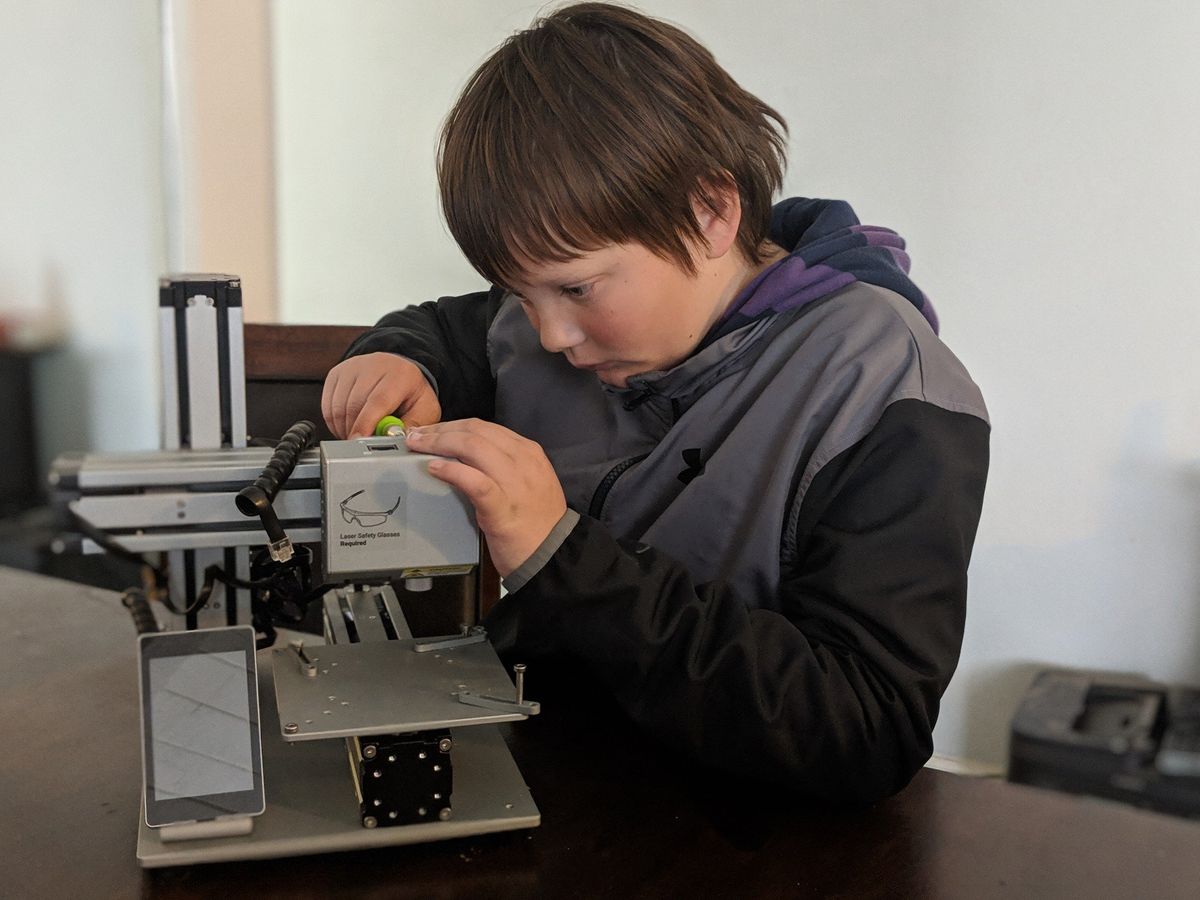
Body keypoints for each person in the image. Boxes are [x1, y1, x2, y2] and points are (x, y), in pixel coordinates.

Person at [321, 2, 989, 803]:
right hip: (542, 776)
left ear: (710, 212)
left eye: (575, 288)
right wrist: (399, 356)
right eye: (520, 291)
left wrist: (561, 557)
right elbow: (459, 329)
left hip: (736, 834)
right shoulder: (544, 319)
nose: (552, 334)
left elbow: (864, 729)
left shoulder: (886, 388)